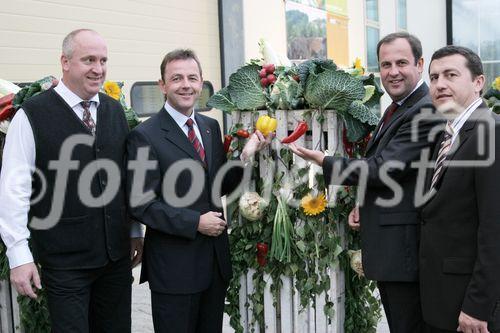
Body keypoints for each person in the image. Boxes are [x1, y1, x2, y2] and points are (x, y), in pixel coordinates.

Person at [287, 32, 440, 333]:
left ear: (420, 64)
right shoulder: (399, 107)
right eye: (385, 64)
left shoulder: (424, 109)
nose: (392, 72)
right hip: (394, 248)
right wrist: (364, 202)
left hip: (405, 252)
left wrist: (325, 161)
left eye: (401, 63)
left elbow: (385, 169)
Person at [0, 29, 143, 332]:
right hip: (64, 263)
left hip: (115, 260)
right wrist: (18, 254)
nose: (99, 69)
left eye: (103, 60)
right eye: (88, 59)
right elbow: (14, 187)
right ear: (64, 62)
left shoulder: (115, 111)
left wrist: (133, 229)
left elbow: (125, 181)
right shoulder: (32, 115)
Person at [126, 49, 270, 333]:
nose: (186, 85)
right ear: (162, 85)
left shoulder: (209, 127)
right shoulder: (145, 136)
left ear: (201, 82)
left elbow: (217, 185)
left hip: (212, 265)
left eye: (192, 78)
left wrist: (245, 156)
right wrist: (195, 223)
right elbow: (141, 204)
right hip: (174, 270)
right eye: (176, 78)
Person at [420, 45, 500, 333]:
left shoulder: (491, 132)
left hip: (470, 309)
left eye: (451, 75)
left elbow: (495, 229)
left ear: (478, 82)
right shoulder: (449, 133)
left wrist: (478, 306)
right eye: (434, 77)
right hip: (441, 299)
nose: (440, 84)